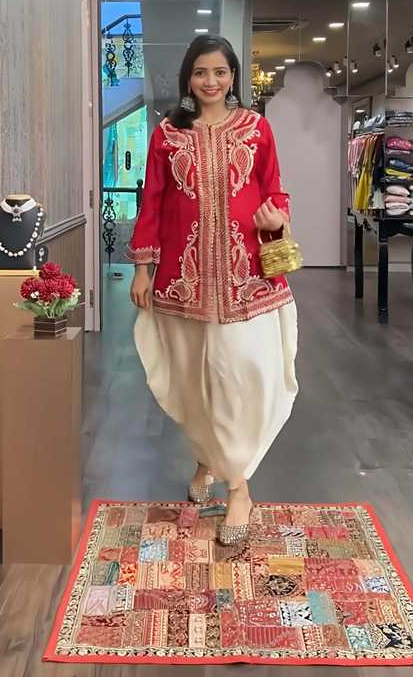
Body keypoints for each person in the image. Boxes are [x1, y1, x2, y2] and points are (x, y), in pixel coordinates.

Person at [127, 35, 299, 546]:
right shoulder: (167, 135)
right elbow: (153, 203)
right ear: (188, 77)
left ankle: (239, 487)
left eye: (220, 72)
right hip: (185, 280)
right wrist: (143, 269)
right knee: (196, 379)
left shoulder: (256, 129)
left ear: (233, 77)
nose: (210, 81)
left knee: (239, 373)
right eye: (201, 72)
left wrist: (276, 217)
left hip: (248, 278)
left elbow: (274, 187)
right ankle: (207, 460)